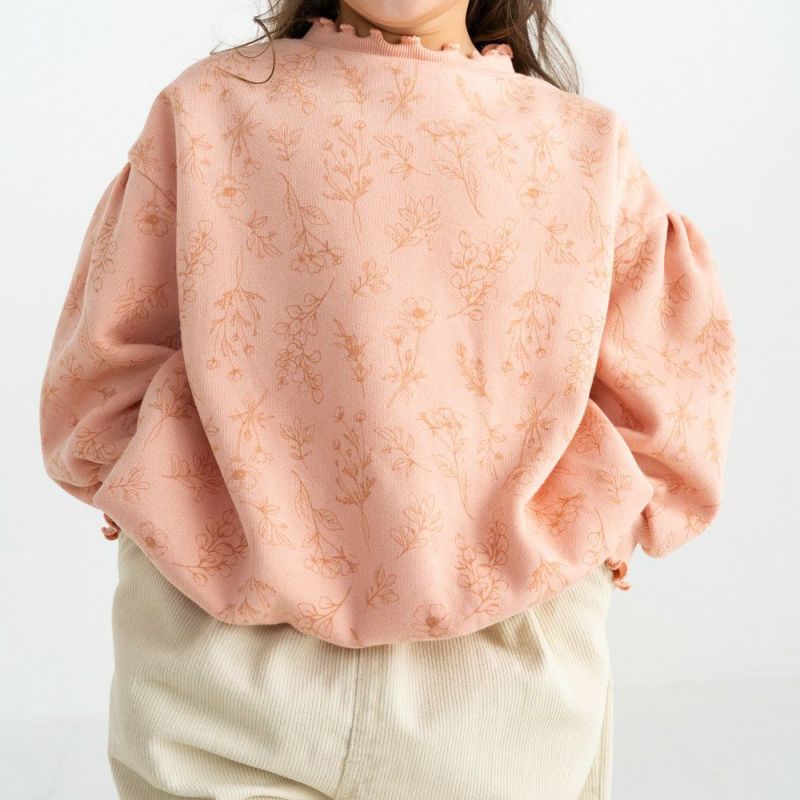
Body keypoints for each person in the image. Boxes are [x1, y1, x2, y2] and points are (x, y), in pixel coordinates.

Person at [38, 1, 737, 798]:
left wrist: (605, 533)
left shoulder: (585, 147)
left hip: (504, 686)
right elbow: (112, 354)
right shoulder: (205, 111)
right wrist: (145, 490)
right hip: (219, 663)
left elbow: (669, 391)